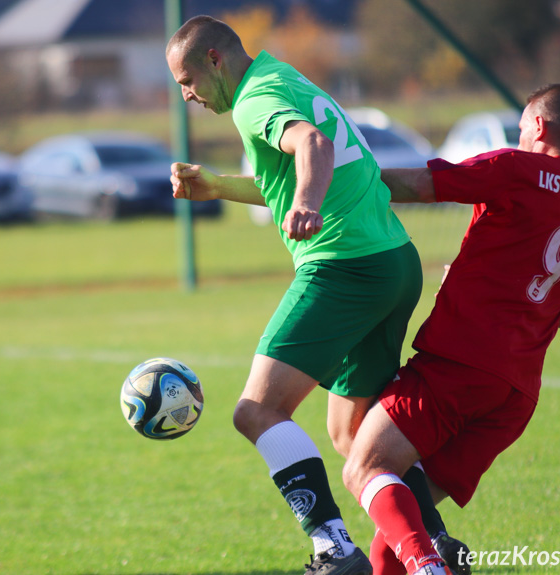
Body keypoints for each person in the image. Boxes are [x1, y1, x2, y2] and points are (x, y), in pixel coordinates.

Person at [166, 15, 425, 575]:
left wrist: (307, 200)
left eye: (187, 80)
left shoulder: (254, 100)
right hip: (393, 262)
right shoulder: (282, 77)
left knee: (256, 411)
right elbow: (287, 174)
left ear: (214, 60)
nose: (186, 95)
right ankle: (435, 546)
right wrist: (218, 187)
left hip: (343, 266)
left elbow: (312, 144)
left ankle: (333, 548)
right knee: (356, 432)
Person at [342, 83, 560, 575]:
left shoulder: (516, 167)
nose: (521, 134)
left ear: (539, 125)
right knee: (394, 538)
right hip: (515, 395)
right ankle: (424, 558)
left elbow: (421, 186)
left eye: (523, 125)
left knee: (366, 468)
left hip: (461, 365)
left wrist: (341, 182)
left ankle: (429, 566)